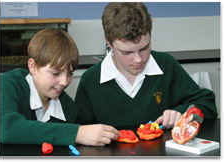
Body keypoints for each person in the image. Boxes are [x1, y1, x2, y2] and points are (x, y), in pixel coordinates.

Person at [75, 2, 218, 129]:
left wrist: (181, 113)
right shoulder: (90, 80)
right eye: (126, 52)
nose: (138, 59)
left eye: (144, 48)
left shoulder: (166, 65)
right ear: (109, 42)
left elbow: (207, 105)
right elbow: (79, 131)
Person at [0, 28, 119, 146]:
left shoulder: (69, 108)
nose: (64, 82)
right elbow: (5, 129)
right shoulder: (8, 84)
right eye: (56, 73)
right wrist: (76, 133)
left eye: (70, 73)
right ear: (33, 66)